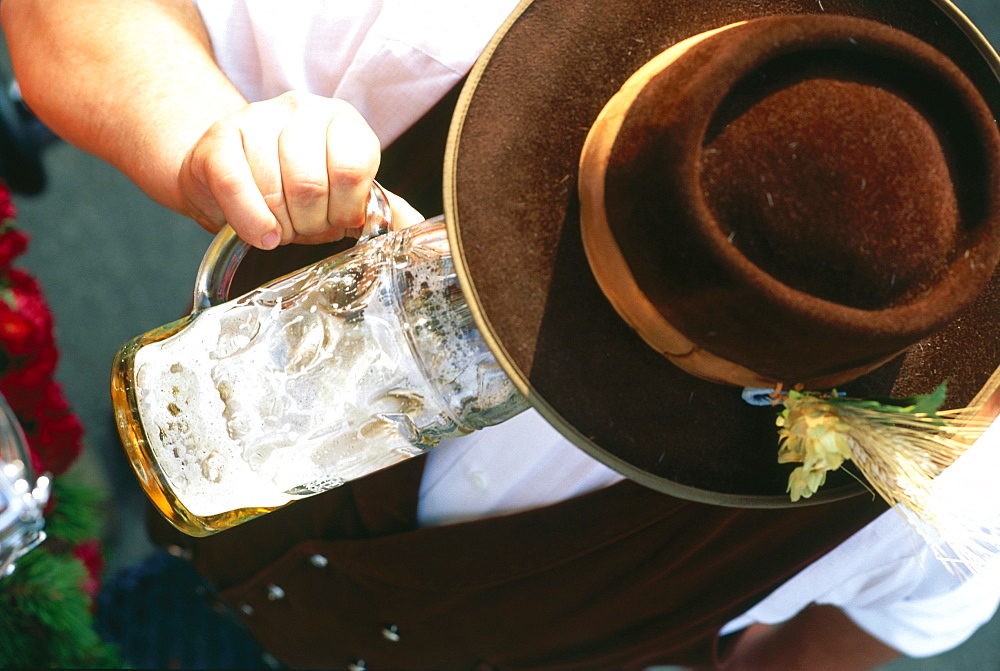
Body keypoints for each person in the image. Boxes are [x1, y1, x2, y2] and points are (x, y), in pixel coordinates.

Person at [4, 1, 1000, 670]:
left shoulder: (955, 487)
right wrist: (200, 132)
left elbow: (876, 619)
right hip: (210, 431)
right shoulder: (447, 34)